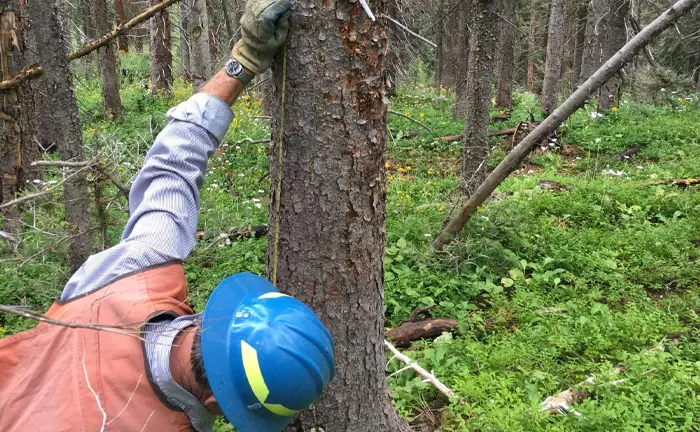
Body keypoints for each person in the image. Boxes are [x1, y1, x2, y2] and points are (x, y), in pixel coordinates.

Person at [0, 1, 335, 431]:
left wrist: (245, 60)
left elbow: (175, 158)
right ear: (218, 401)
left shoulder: (138, 268)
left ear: (215, 322)